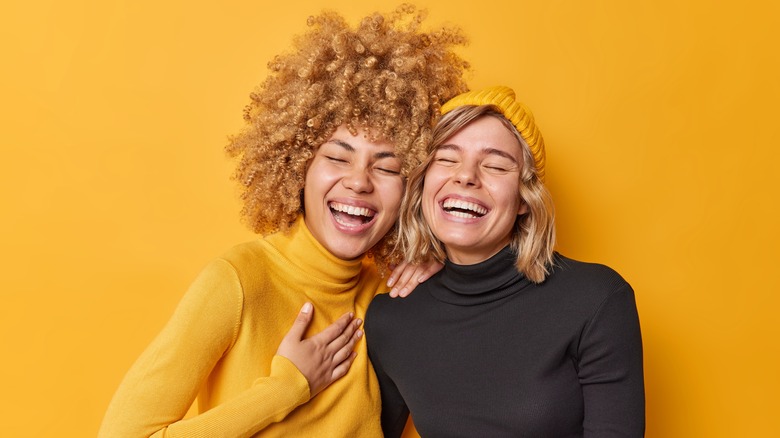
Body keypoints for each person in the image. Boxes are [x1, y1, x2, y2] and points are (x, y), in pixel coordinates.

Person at [98, 5, 468, 437]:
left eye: (386, 168)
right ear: (297, 166)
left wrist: (447, 278)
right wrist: (287, 387)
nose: (359, 182)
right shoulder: (237, 282)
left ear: (411, 189)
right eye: (336, 157)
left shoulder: (390, 296)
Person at [366, 85, 645, 437]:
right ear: (423, 185)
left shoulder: (596, 299)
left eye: (496, 165)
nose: (466, 175)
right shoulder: (391, 318)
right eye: (447, 159)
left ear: (524, 199)